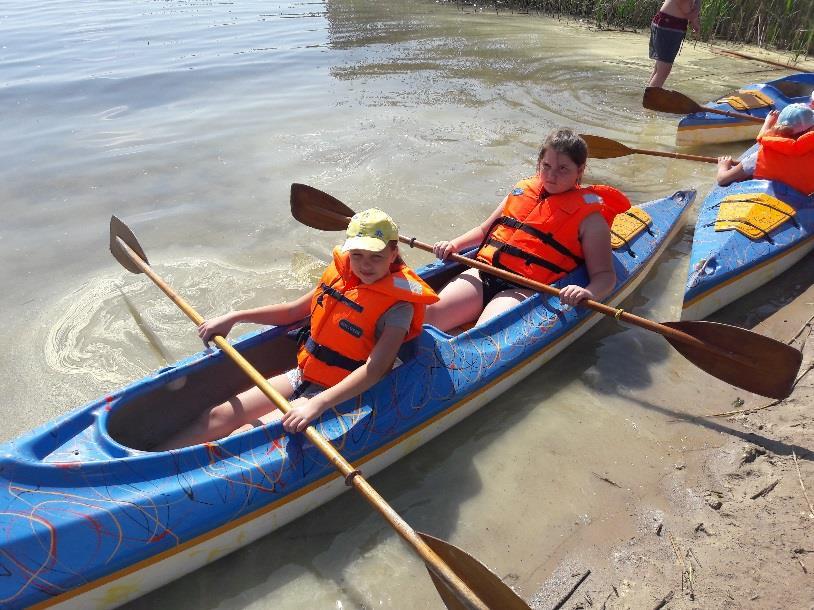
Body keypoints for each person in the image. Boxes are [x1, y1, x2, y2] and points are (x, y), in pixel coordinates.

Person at [157, 209, 439, 450]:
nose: (365, 265)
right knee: (220, 415)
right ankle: (150, 463)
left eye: (376, 257)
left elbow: (375, 370)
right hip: (304, 374)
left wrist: (317, 405)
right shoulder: (343, 278)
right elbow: (293, 311)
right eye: (357, 255)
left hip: (339, 390)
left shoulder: (398, 306)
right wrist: (235, 317)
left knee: (244, 435)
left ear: (393, 252)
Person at [423, 128, 631, 333]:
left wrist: (588, 292)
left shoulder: (591, 220)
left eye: (563, 169)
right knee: (428, 317)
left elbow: (605, 276)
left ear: (580, 170)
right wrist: (454, 244)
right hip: (485, 273)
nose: (551, 175)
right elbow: (483, 230)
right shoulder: (522, 191)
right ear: (539, 163)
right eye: (546, 165)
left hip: (523, 289)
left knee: (483, 334)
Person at [716, 103, 814, 194]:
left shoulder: (759, 155)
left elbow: (722, 179)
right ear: (810, 131)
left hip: (766, 199)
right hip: (800, 204)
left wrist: (723, 166)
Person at [647, 0, 701, 89]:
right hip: (669, 25)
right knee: (663, 70)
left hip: (668, 23)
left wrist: (695, 22)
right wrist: (693, 17)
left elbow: (690, 8)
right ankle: (650, 100)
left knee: (660, 68)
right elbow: (684, 6)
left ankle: (649, 96)